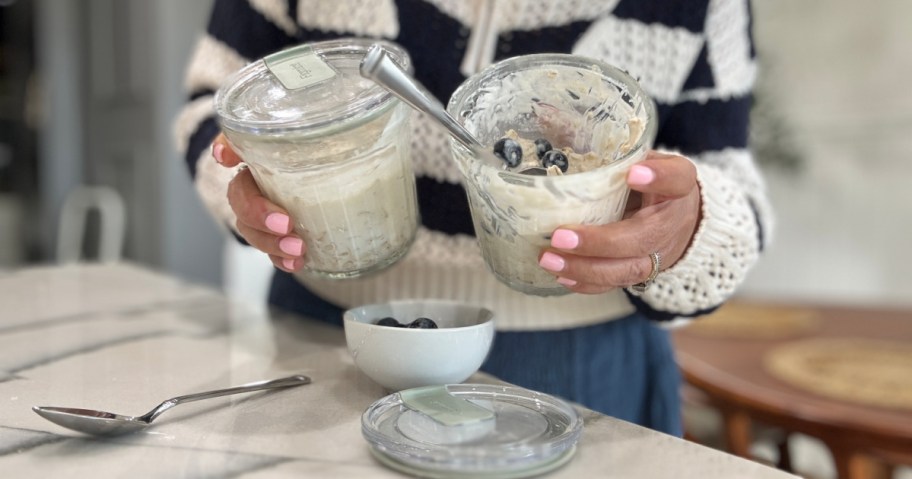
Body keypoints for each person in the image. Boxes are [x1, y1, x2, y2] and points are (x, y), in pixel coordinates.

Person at [174, 0, 773, 437]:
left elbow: (729, 179)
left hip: (575, 367)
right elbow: (214, 104)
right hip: (328, 338)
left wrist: (692, 230)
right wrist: (241, 179)